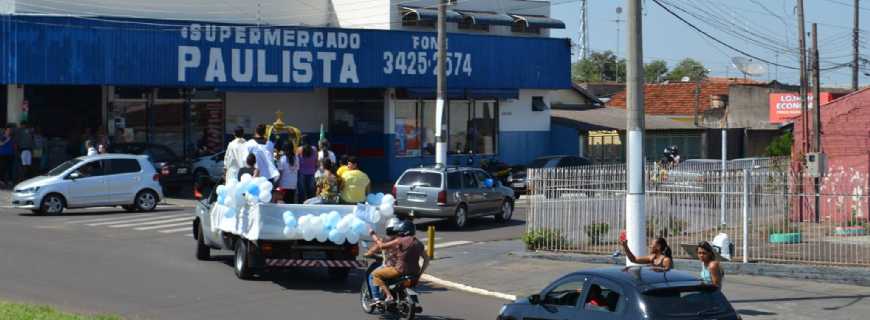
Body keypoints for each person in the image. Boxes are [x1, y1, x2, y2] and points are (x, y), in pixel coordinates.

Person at [369, 220, 429, 304]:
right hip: (414, 273)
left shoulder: (400, 240)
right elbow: (426, 259)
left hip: (399, 270)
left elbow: (382, 246)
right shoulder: (419, 243)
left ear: (404, 230)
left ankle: (389, 296)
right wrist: (420, 273)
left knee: (375, 275)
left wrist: (373, 235)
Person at [364, 219, 402, 302]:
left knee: (372, 276)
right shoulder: (403, 239)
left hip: (390, 266)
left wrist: (367, 254)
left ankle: (376, 298)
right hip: (403, 266)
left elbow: (377, 245)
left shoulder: (386, 239)